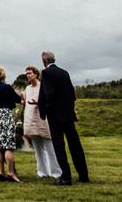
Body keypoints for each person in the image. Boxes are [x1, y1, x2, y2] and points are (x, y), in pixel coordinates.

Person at [38, 51, 89, 185]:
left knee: (59, 146)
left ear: (44, 61)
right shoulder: (64, 73)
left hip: (55, 115)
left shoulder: (46, 73)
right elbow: (72, 94)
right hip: (67, 114)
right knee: (75, 144)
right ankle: (83, 175)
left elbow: (48, 94)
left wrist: (46, 111)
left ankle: (66, 177)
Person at [23, 65, 62, 178]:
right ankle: (42, 172)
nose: (28, 75)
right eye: (26, 74)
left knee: (50, 148)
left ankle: (56, 172)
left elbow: (49, 101)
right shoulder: (27, 88)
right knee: (38, 149)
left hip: (43, 119)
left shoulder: (43, 86)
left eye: (30, 73)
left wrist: (38, 103)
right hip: (31, 119)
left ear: (36, 74)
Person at [0, 65, 23, 183]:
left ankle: (1, 172)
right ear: (3, 74)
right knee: (8, 147)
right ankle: (11, 172)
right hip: (6, 116)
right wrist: (21, 95)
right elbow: (18, 100)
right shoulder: (7, 87)